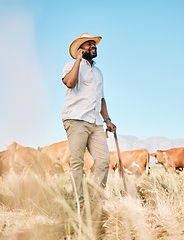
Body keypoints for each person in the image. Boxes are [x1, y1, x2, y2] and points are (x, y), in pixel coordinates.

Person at [62, 33, 116, 209]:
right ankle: (80, 203)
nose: (93, 46)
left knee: (103, 161)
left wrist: (107, 120)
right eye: (88, 44)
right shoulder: (70, 65)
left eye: (94, 44)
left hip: (95, 122)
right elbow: (70, 83)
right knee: (77, 162)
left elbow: (101, 99)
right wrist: (78, 60)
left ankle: (95, 201)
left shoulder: (98, 73)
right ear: (80, 48)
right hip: (76, 119)